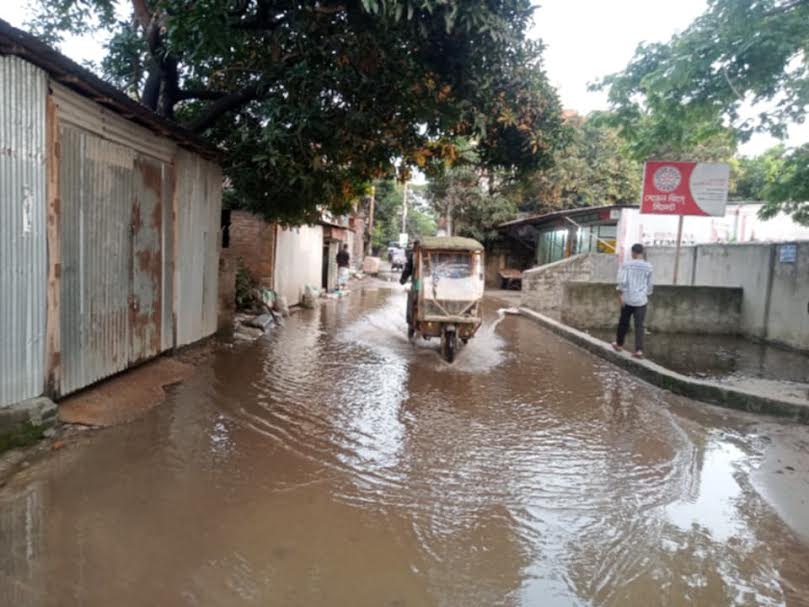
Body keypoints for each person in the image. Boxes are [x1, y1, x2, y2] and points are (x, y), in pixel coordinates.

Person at [612, 243, 653, 358]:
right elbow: (650, 285)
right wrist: (645, 294)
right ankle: (639, 351)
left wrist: (620, 295)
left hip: (628, 299)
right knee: (639, 326)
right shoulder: (649, 267)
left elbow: (622, 281)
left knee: (623, 323)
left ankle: (619, 345)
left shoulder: (627, 265)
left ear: (634, 252)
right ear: (642, 252)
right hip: (641, 301)